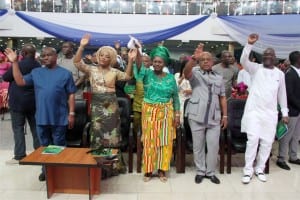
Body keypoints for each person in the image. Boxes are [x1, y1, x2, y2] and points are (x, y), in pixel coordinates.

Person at [5, 46, 76, 181]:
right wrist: (14, 62)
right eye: (43, 55)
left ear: (56, 56)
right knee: (44, 146)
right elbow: (19, 81)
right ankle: (46, 170)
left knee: (59, 145)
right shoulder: (36, 72)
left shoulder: (65, 73)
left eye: (48, 55)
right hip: (41, 117)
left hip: (59, 116)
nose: (45, 57)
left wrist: (71, 113)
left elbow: (71, 94)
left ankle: (59, 171)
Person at [240, 33, 288, 184]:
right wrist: (249, 44)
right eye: (265, 54)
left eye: (270, 55)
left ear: (275, 58)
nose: (267, 56)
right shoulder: (256, 68)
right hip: (254, 112)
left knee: (267, 142)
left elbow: (282, 95)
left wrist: (285, 113)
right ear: (262, 57)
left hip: (270, 114)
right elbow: (243, 60)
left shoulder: (280, 74)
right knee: (252, 140)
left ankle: (259, 168)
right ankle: (248, 170)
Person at [73, 34, 133, 150]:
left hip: (111, 104)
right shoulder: (91, 69)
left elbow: (127, 76)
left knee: (112, 131)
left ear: (111, 59)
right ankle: (98, 162)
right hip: (96, 104)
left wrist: (130, 60)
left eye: (107, 56)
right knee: (96, 130)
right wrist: (81, 47)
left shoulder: (115, 71)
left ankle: (112, 162)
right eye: (101, 55)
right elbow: (77, 63)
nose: (103, 58)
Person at [130, 43, 180, 183]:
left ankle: (162, 170)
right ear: (152, 62)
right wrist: (139, 51)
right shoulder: (147, 73)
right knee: (149, 141)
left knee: (165, 142)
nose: (157, 64)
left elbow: (175, 97)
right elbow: (139, 65)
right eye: (155, 61)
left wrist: (177, 114)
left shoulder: (170, 78)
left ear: (164, 63)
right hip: (150, 112)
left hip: (166, 112)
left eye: (160, 62)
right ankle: (148, 170)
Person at [184, 44, 227, 185]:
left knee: (214, 146)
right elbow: (186, 72)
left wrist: (225, 116)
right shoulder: (195, 73)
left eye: (208, 59)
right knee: (198, 146)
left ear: (213, 61)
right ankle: (200, 171)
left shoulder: (219, 78)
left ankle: (211, 172)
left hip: (214, 117)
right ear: (199, 62)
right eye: (202, 59)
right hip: (196, 115)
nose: (206, 61)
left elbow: (222, 97)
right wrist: (193, 59)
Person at [3, 44, 41, 165]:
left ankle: (19, 155)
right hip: (34, 102)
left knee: (18, 128)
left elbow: (6, 77)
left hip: (17, 102)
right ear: (35, 54)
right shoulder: (38, 65)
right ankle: (39, 154)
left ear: (23, 54)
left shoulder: (17, 64)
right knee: (36, 129)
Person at [277, 51, 300, 170]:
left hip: (298, 111)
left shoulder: (297, 72)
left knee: (296, 135)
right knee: (286, 136)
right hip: (291, 110)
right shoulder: (289, 74)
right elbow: (289, 95)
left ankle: (293, 156)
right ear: (298, 60)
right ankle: (281, 158)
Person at [174, 59, 192, 124]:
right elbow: (174, 89)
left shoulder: (194, 77)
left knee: (188, 121)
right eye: (186, 67)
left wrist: (192, 91)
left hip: (190, 100)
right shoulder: (177, 75)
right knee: (180, 120)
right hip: (180, 100)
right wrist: (182, 78)